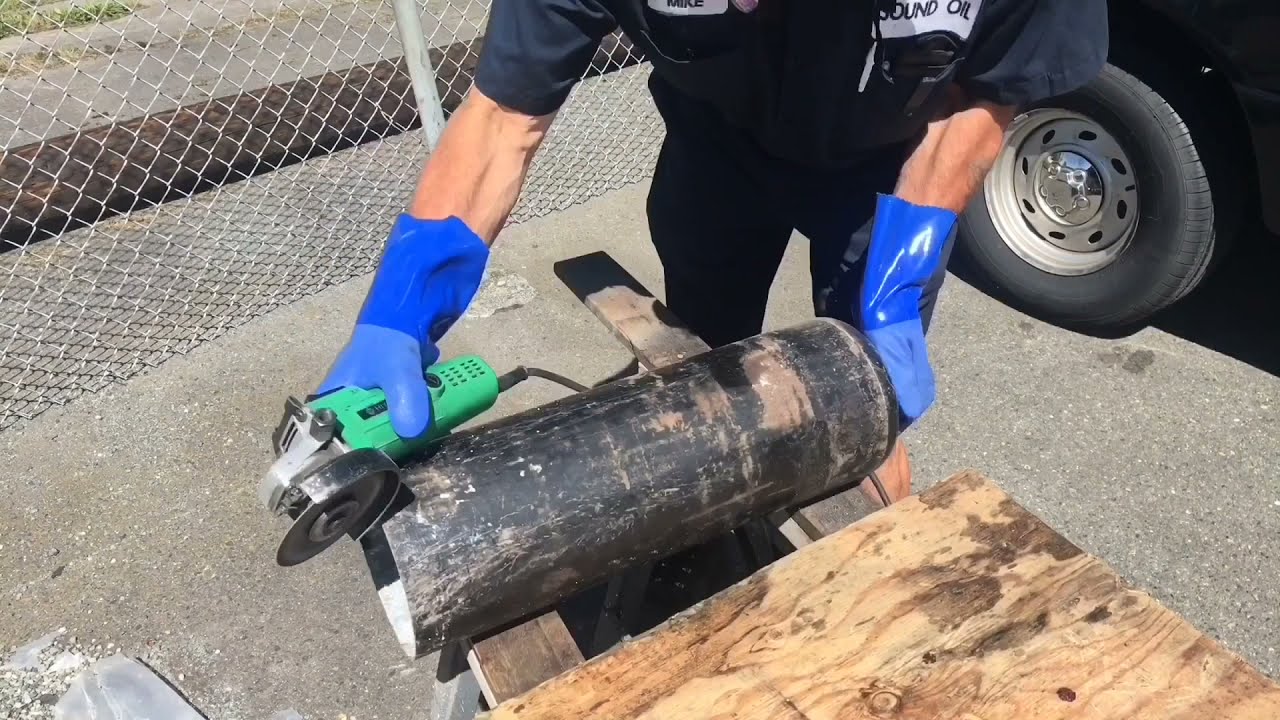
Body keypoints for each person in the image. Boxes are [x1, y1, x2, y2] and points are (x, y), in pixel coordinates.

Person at [319, 0, 1109, 507]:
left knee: (869, 415)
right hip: (718, 146)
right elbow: (500, 120)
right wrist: (403, 306)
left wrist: (898, 285)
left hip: (893, 170)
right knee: (700, 370)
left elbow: (990, 94)